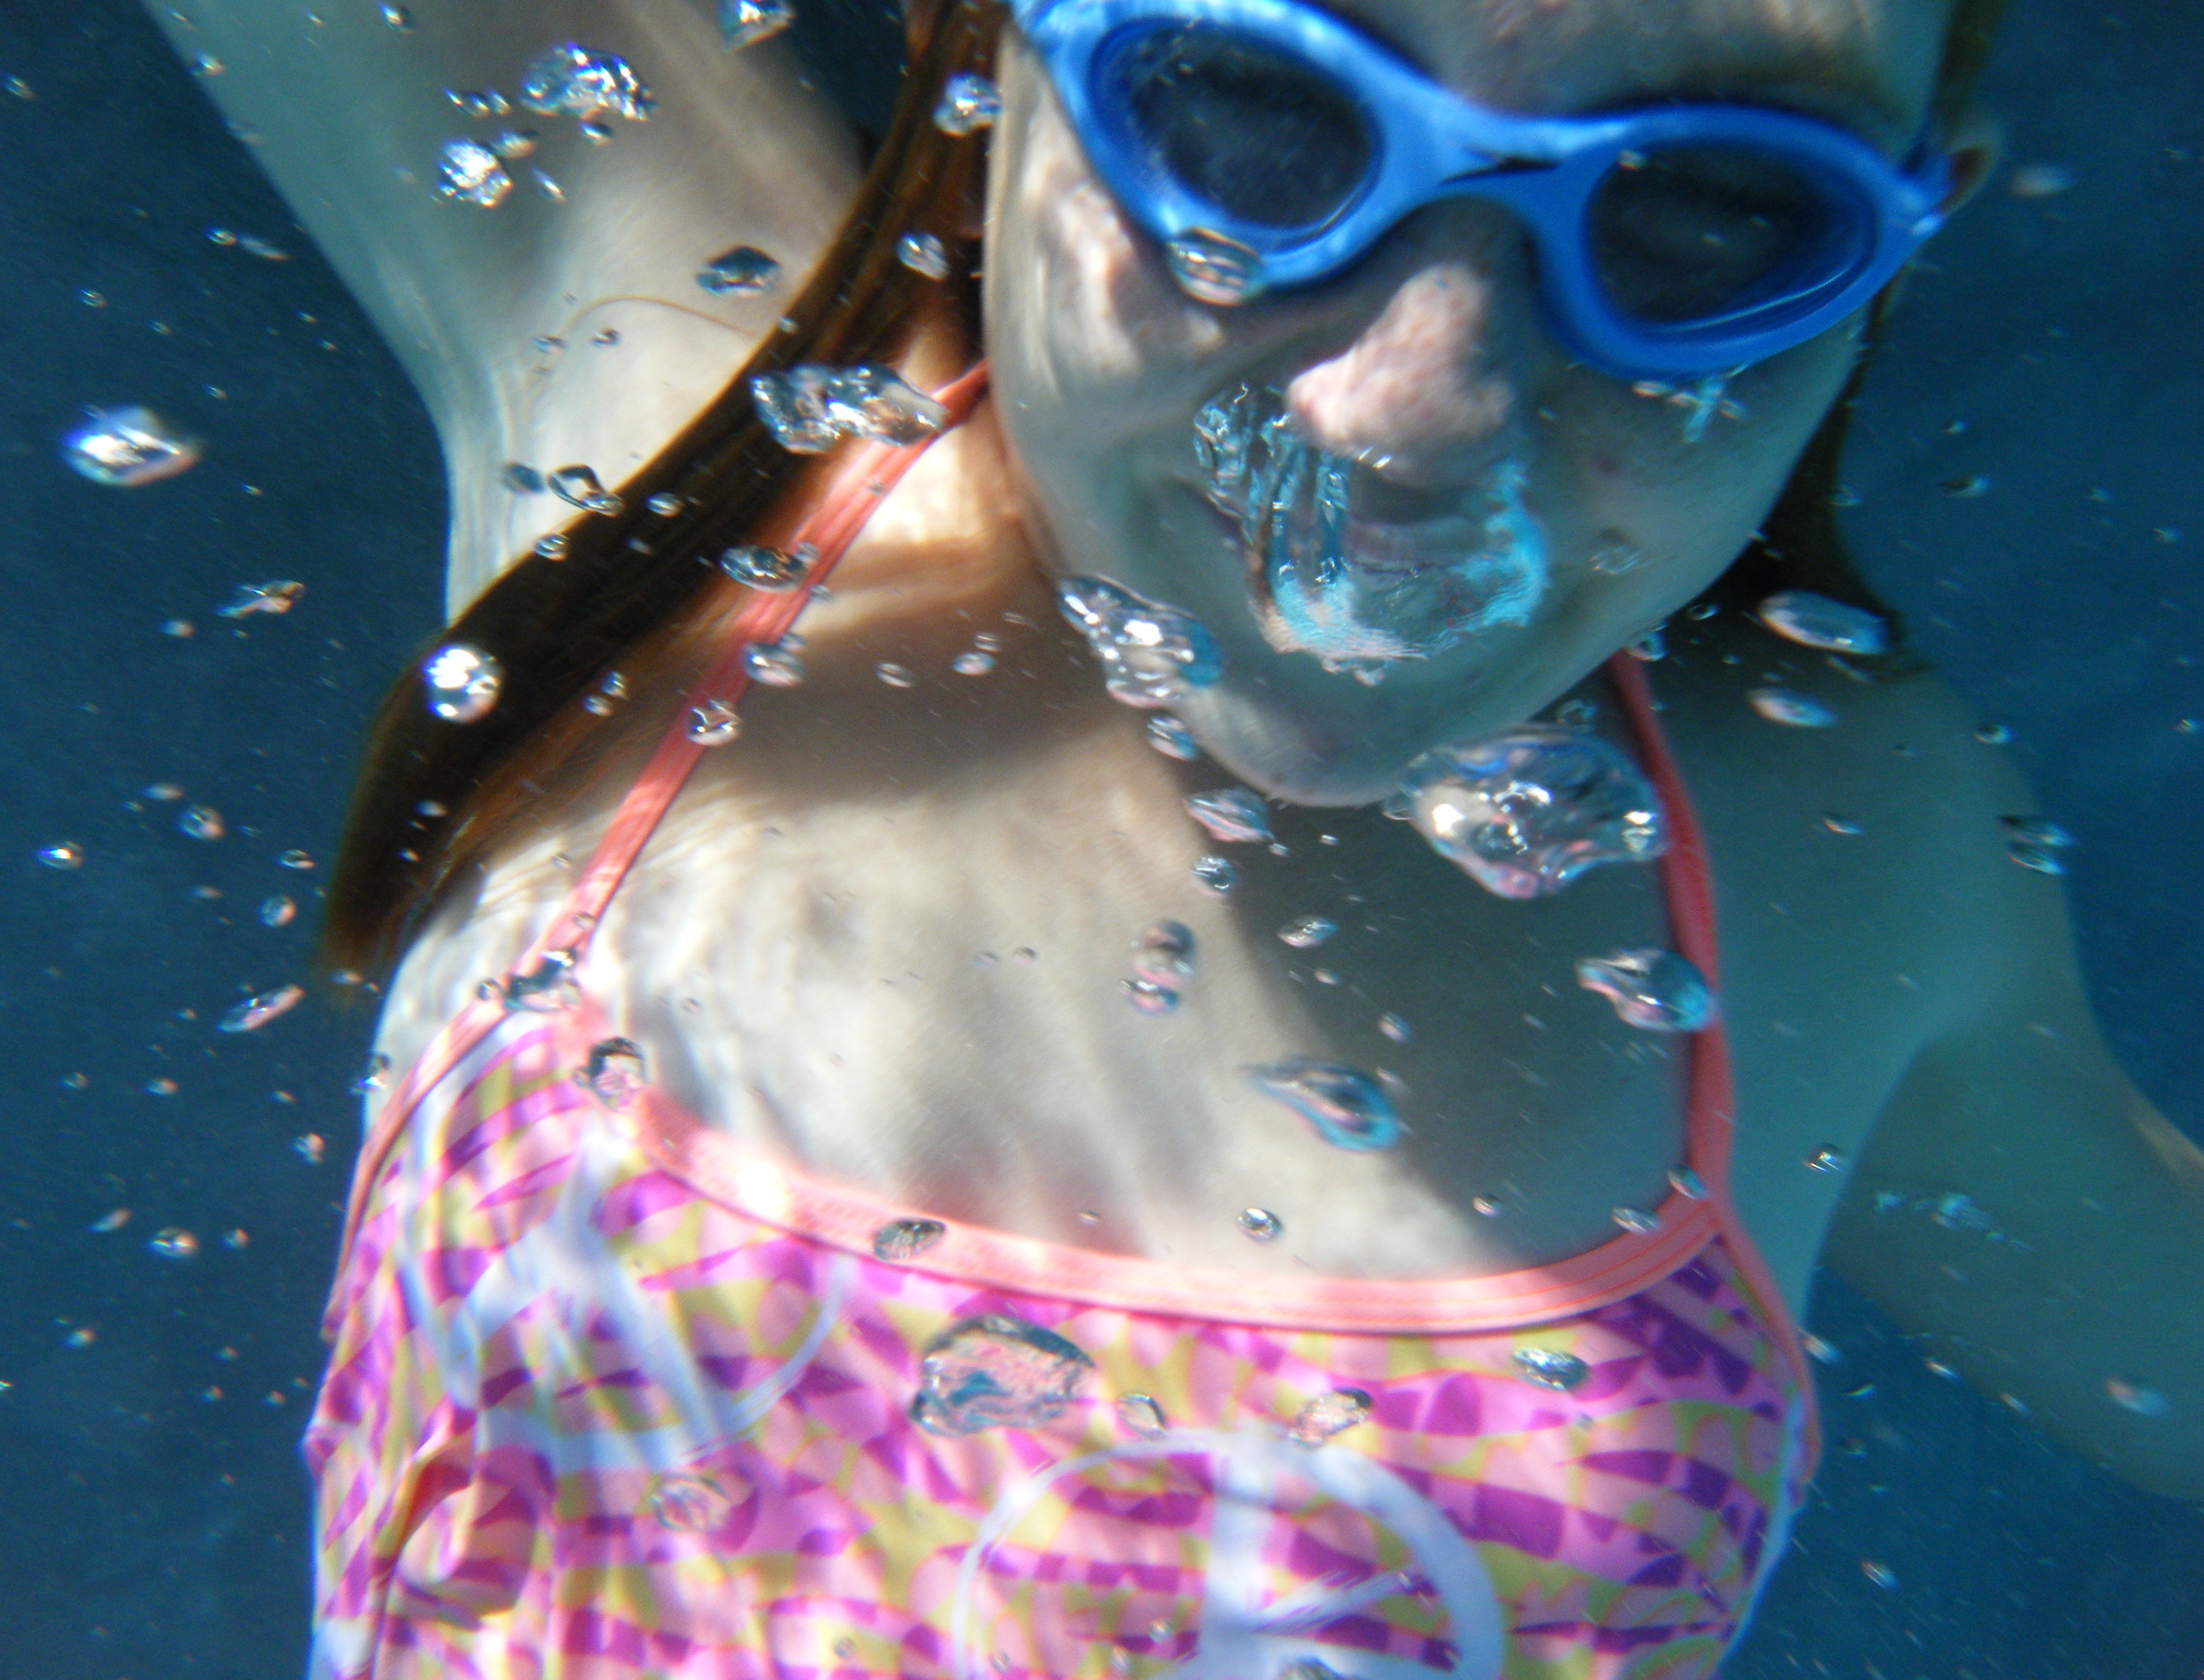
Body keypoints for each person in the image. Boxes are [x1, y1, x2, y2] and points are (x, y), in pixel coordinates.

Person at [152, 0, 2203, 1675]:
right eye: (1251, 105)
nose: (1413, 418)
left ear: (1904, 228)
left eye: (1709, 214)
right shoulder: (685, 402)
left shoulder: (1836, 850)